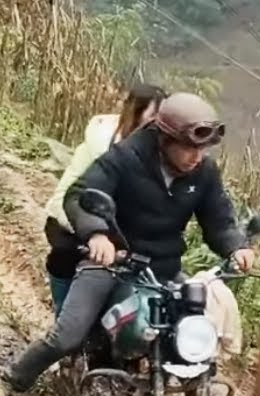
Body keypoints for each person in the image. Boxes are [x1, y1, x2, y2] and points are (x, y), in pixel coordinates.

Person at [0, 93, 254, 396]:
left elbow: (219, 220)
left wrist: (236, 247)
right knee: (67, 335)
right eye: (189, 147)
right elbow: (81, 194)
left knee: (193, 342)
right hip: (113, 261)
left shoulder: (204, 173)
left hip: (162, 269)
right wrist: (97, 235)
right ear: (165, 138)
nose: (196, 156)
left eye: (202, 148)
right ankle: (14, 378)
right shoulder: (125, 157)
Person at [43, 83, 167, 316]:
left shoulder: (155, 154)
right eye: (152, 119)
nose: (158, 128)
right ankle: (62, 325)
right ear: (135, 113)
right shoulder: (104, 147)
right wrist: (97, 235)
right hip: (71, 220)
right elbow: (74, 199)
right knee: (65, 263)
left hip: (114, 231)